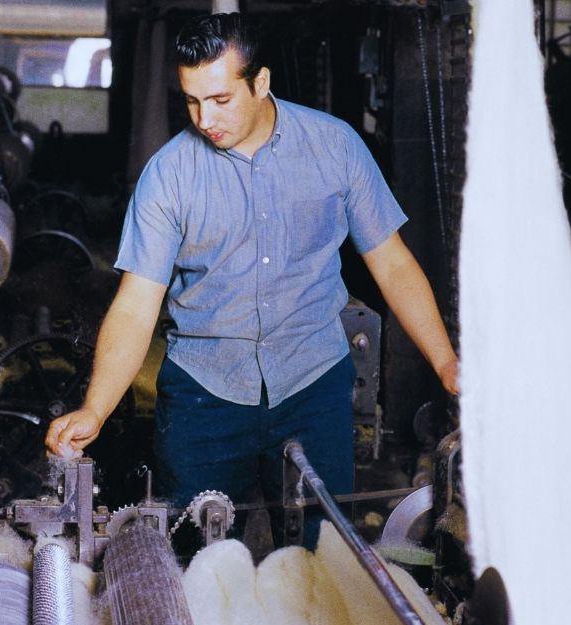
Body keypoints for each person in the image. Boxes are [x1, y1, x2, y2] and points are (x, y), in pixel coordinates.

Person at [45, 13, 459, 522]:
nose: (204, 119)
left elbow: (392, 264)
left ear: (260, 82)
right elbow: (135, 305)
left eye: (220, 100)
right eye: (192, 100)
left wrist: (445, 364)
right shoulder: (169, 175)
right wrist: (96, 409)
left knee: (326, 557)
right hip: (205, 397)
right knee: (197, 562)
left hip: (313, 384)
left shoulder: (335, 146)